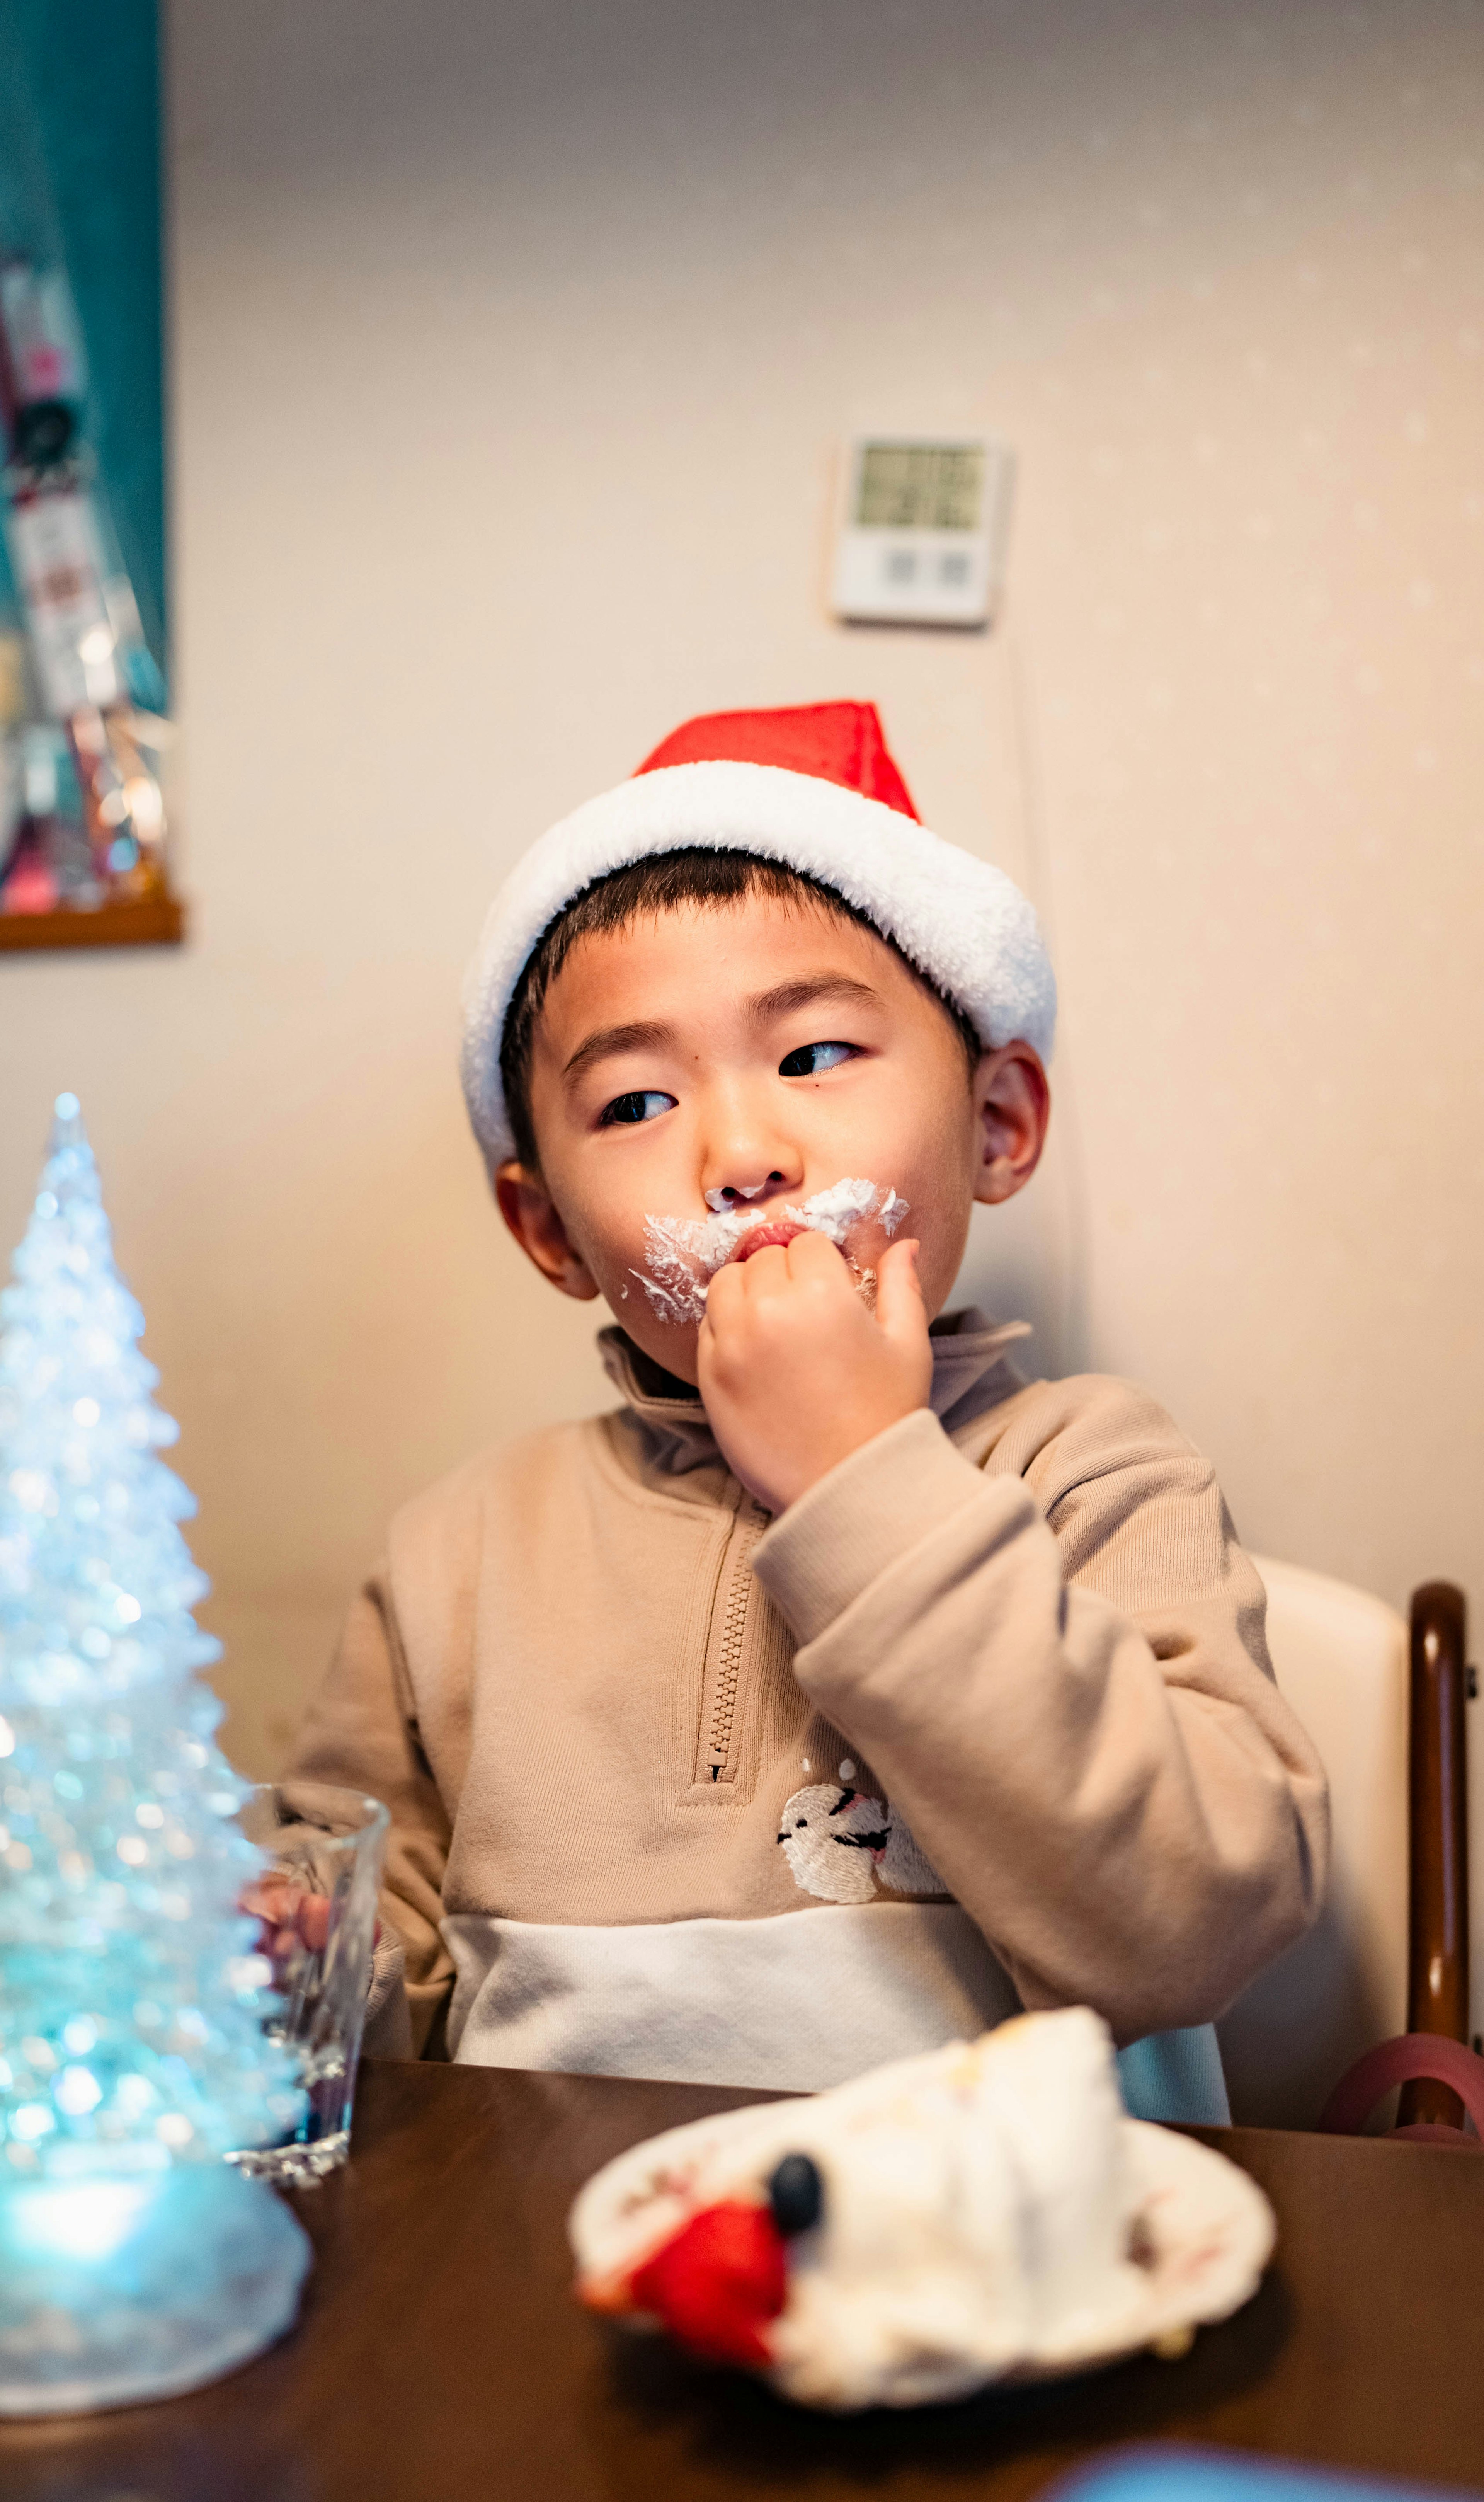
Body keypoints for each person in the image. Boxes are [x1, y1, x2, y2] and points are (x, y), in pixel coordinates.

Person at [290, 700, 1328, 2121]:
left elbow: (1197, 1922)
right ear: (548, 1231)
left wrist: (862, 1480)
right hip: (565, 2294)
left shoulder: (1095, 1471)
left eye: (816, 1058)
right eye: (639, 1099)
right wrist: (261, 1956)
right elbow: (344, 2010)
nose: (741, 1155)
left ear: (997, 1124)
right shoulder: (453, 1554)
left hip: (1036, 2279)